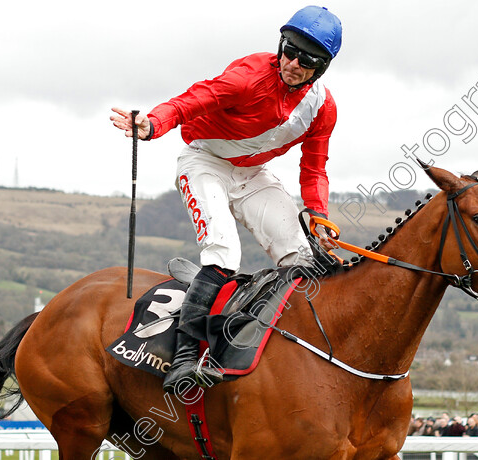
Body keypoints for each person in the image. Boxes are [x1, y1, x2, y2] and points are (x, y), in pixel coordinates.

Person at [110, 6, 342, 393]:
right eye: (289, 50)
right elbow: (194, 99)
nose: (293, 63)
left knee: (304, 258)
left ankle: (287, 348)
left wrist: (317, 213)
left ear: (322, 68)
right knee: (224, 252)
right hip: (204, 162)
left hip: (254, 175)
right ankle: (185, 357)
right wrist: (153, 123)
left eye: (307, 60)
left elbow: (315, 168)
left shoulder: (323, 108)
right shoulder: (250, 75)